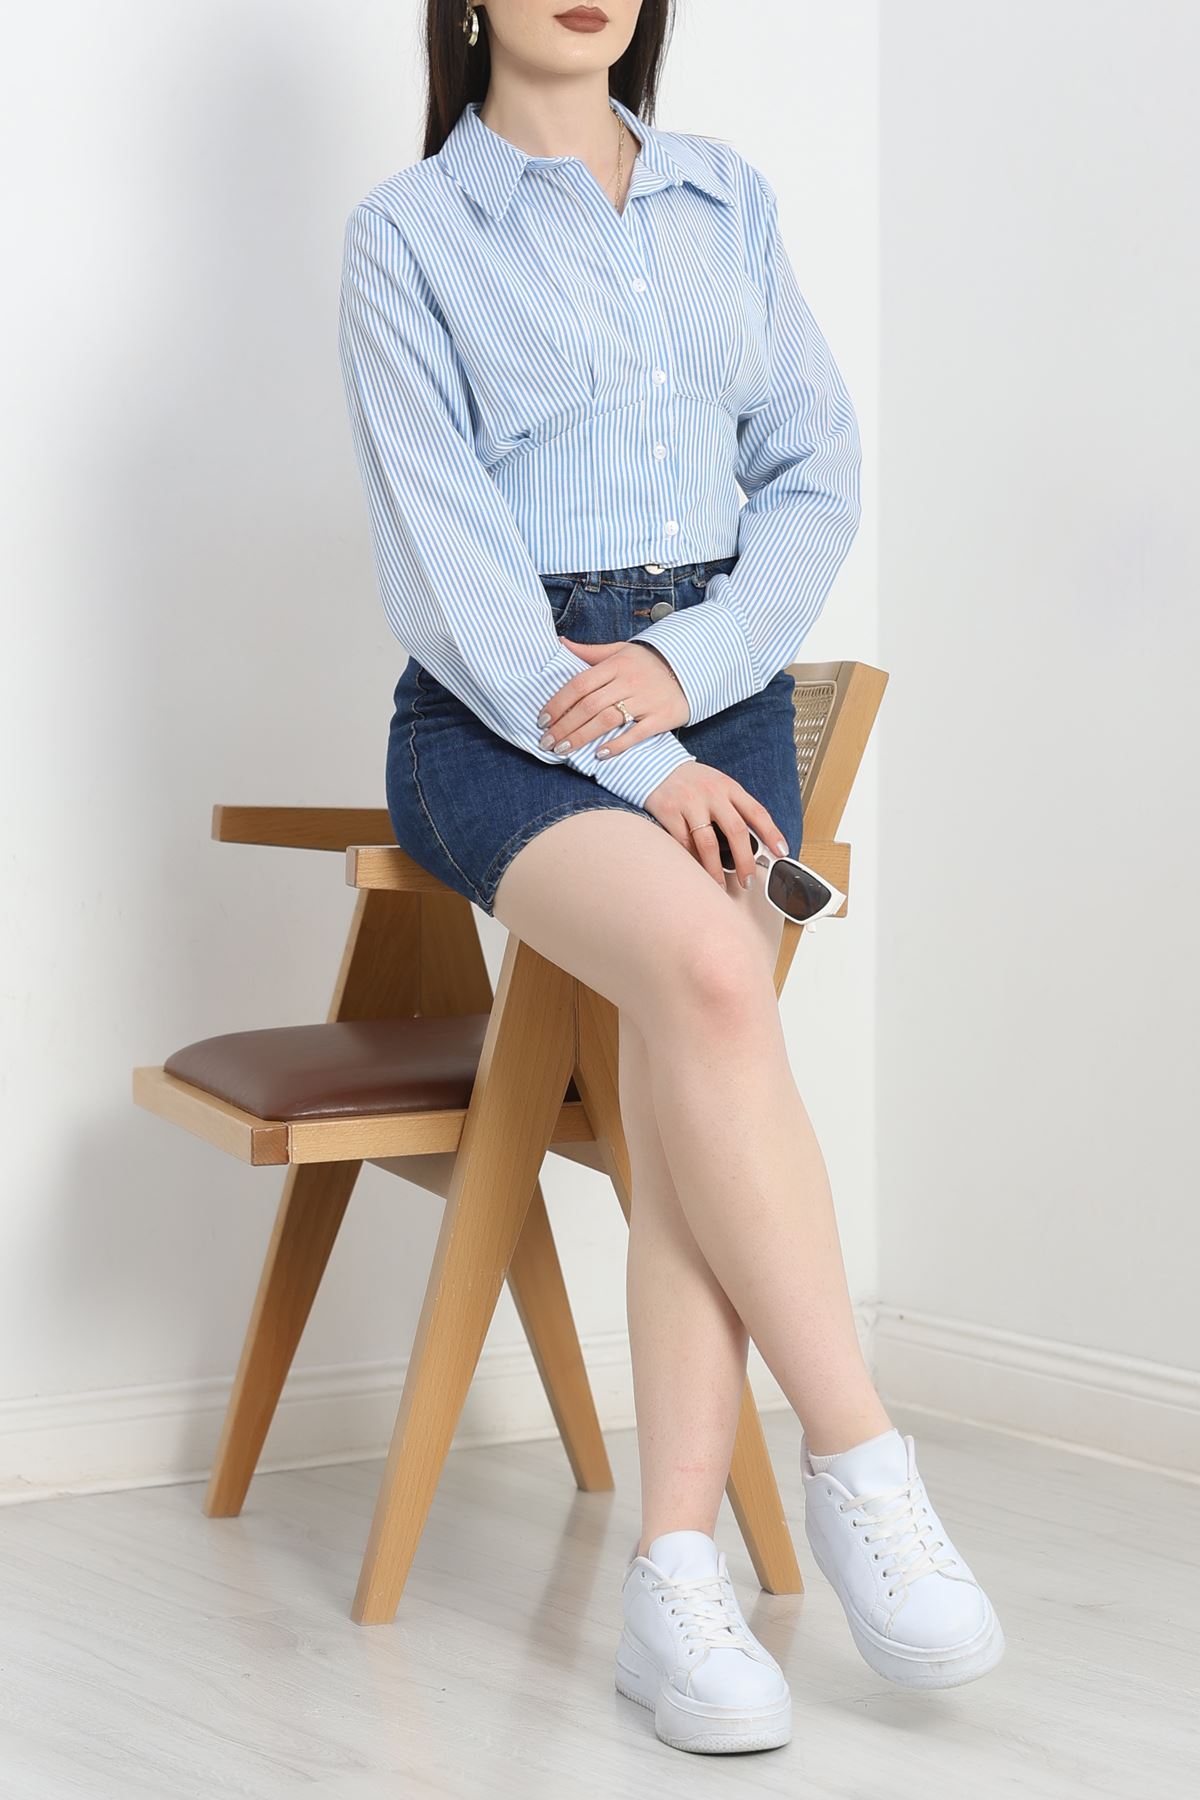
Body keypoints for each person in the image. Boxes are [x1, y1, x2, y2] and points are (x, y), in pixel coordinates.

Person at [338, 0, 1004, 1757]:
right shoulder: (410, 234)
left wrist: (691, 669)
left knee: (689, 1077)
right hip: (503, 712)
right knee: (714, 982)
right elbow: (451, 574)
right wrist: (647, 756)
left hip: (717, 685)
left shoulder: (728, 198)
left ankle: (676, 1584)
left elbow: (814, 474)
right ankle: (864, 1460)